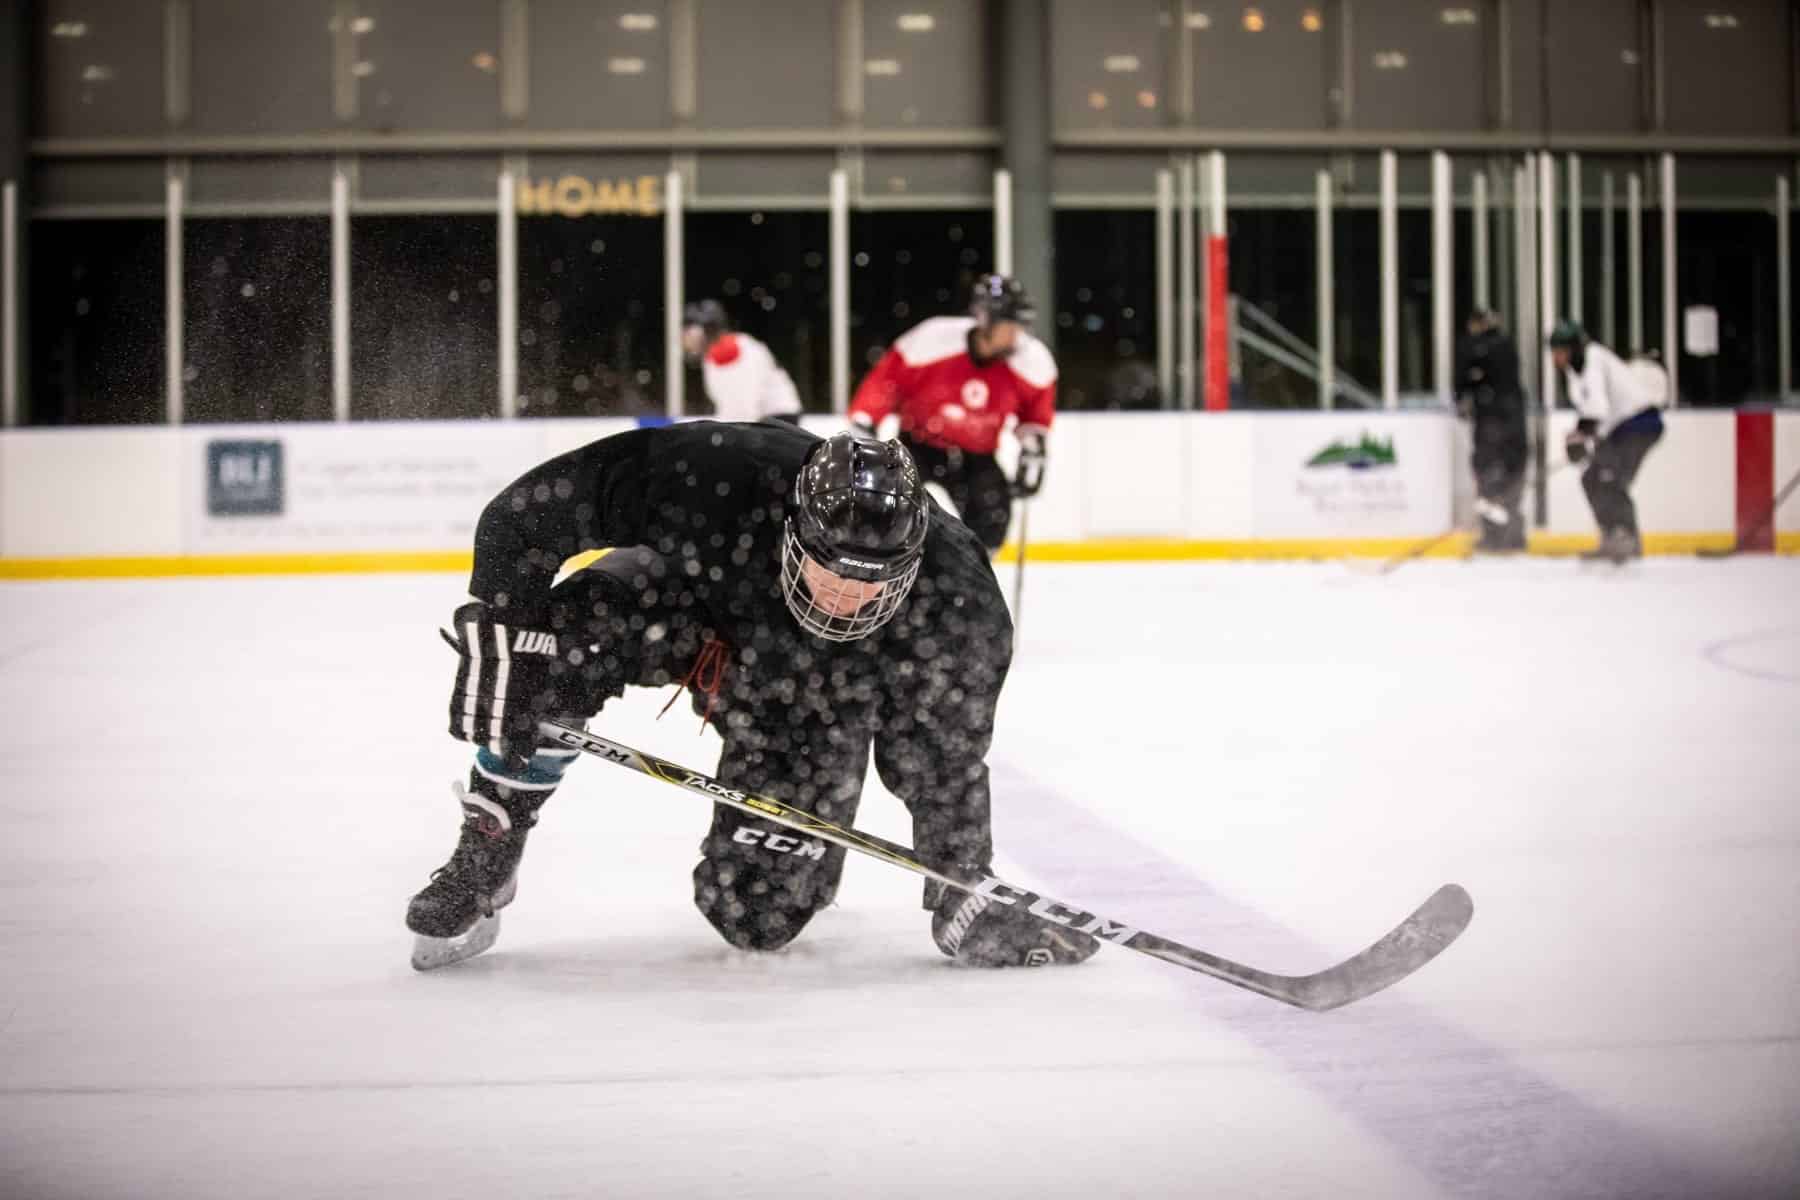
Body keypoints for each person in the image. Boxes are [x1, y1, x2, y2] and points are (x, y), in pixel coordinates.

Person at [407, 421, 1098, 971]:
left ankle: (817, 817)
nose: (846, 597)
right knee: (559, 641)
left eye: (871, 582)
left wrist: (961, 885)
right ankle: (488, 850)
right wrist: (506, 619)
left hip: (811, 703)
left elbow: (944, 760)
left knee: (748, 919)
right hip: (703, 616)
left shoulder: (960, 607)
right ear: (794, 524)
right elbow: (523, 515)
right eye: (832, 570)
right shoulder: (725, 473)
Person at [848, 274, 1057, 556]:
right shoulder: (934, 340)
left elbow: (1035, 412)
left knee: (992, 516)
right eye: (1009, 326)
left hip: (977, 456)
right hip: (919, 446)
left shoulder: (1030, 360)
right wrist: (865, 420)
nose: (1016, 336)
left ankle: (973, 580)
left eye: (1020, 327)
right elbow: (887, 380)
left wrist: (1033, 446)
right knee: (892, 509)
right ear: (985, 320)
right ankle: (894, 572)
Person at [1548, 321, 1666, 563]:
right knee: (1591, 477)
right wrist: (1581, 438)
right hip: (1619, 429)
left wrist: (1581, 435)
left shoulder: (1594, 358)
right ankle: (1612, 534)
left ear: (1573, 348)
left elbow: (1597, 408)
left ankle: (1627, 538)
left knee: (1610, 476)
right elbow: (1591, 413)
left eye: (1560, 350)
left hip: (1640, 422)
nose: (1555, 357)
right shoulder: (1574, 370)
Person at [1454, 310, 1529, 552]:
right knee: (1511, 477)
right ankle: (1512, 534)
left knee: (1490, 477)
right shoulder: (1505, 345)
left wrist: (1463, 395)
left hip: (1493, 422)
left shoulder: (1477, 349)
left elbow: (1464, 380)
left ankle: (1496, 537)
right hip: (1514, 422)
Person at [681, 299, 803, 424]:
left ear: (706, 330)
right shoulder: (717, 355)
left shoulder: (731, 351)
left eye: (689, 332)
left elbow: (743, 411)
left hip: (777, 421)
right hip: (771, 420)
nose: (685, 341)